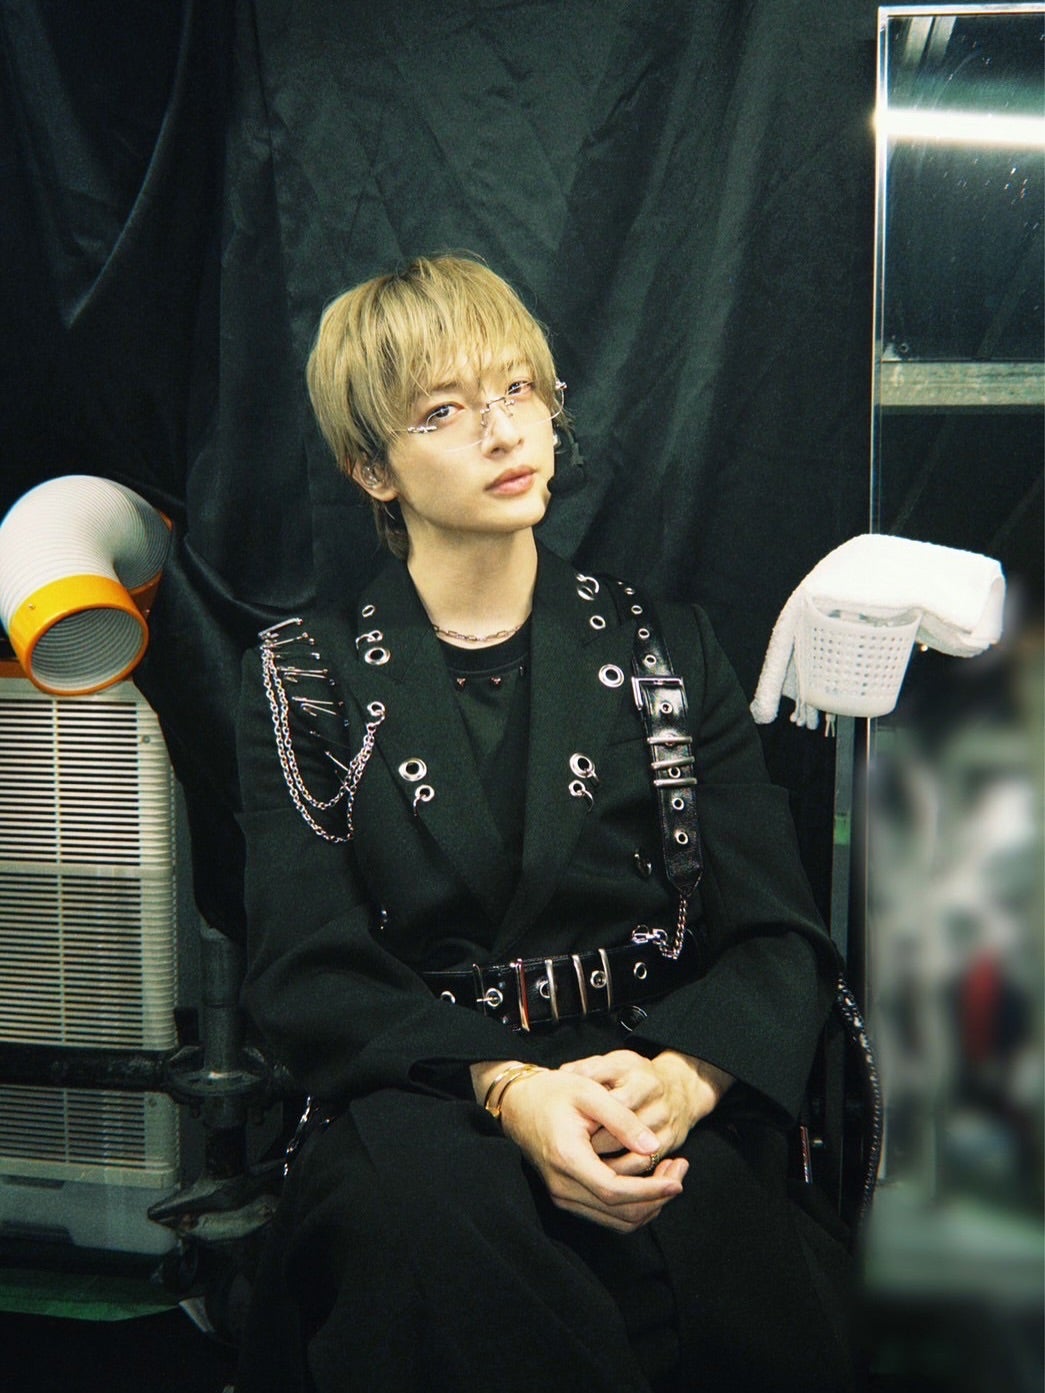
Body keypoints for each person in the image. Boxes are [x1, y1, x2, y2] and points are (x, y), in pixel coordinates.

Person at [232, 254, 854, 1392]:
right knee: (425, 1242)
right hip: (426, 1086)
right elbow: (305, 967)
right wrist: (510, 1086)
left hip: (649, 1063)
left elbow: (777, 933)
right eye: (442, 410)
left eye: (518, 388)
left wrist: (685, 1080)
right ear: (371, 467)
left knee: (730, 1261)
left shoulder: (669, 650)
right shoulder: (306, 677)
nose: (503, 430)